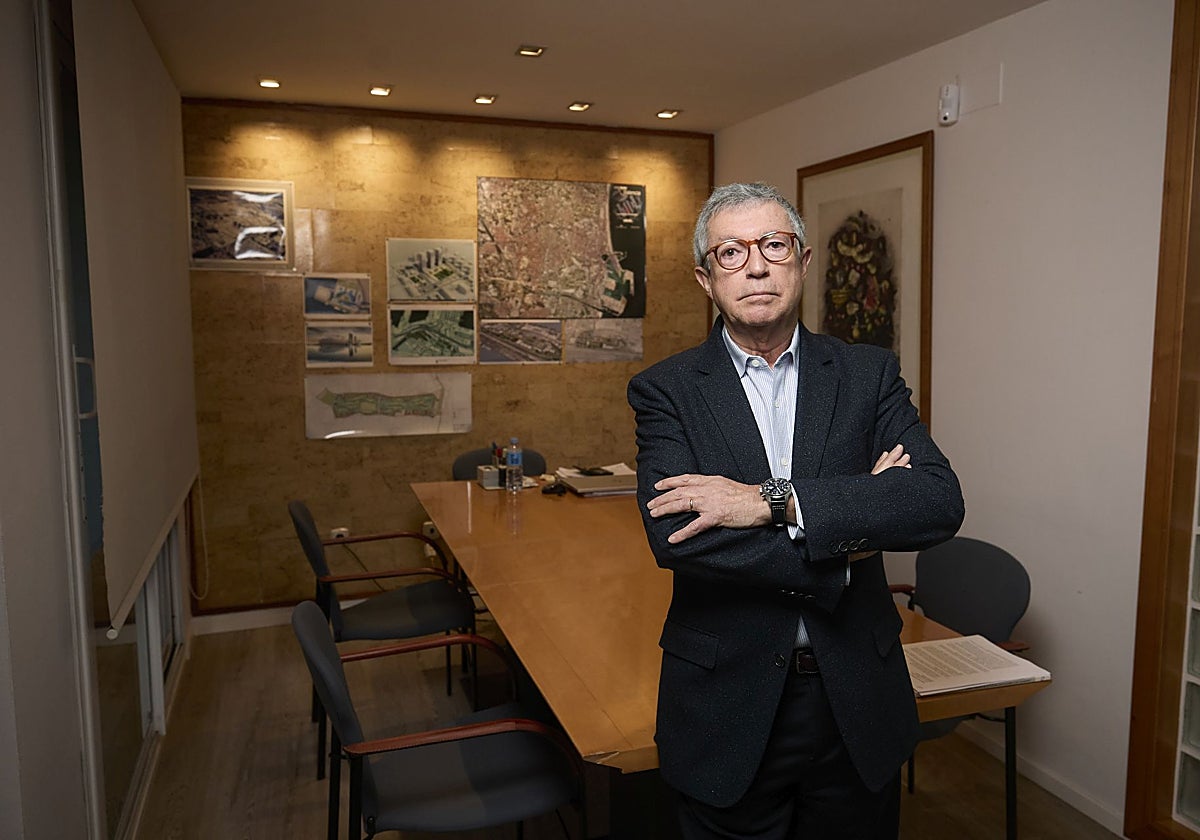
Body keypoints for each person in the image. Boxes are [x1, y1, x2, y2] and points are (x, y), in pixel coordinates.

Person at [627, 182, 964, 839]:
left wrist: (767, 501)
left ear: (803, 262)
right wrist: (850, 537)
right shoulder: (667, 391)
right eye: (730, 252)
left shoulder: (868, 375)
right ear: (705, 278)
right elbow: (678, 536)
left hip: (856, 702)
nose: (755, 267)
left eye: (773, 246)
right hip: (727, 705)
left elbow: (935, 501)